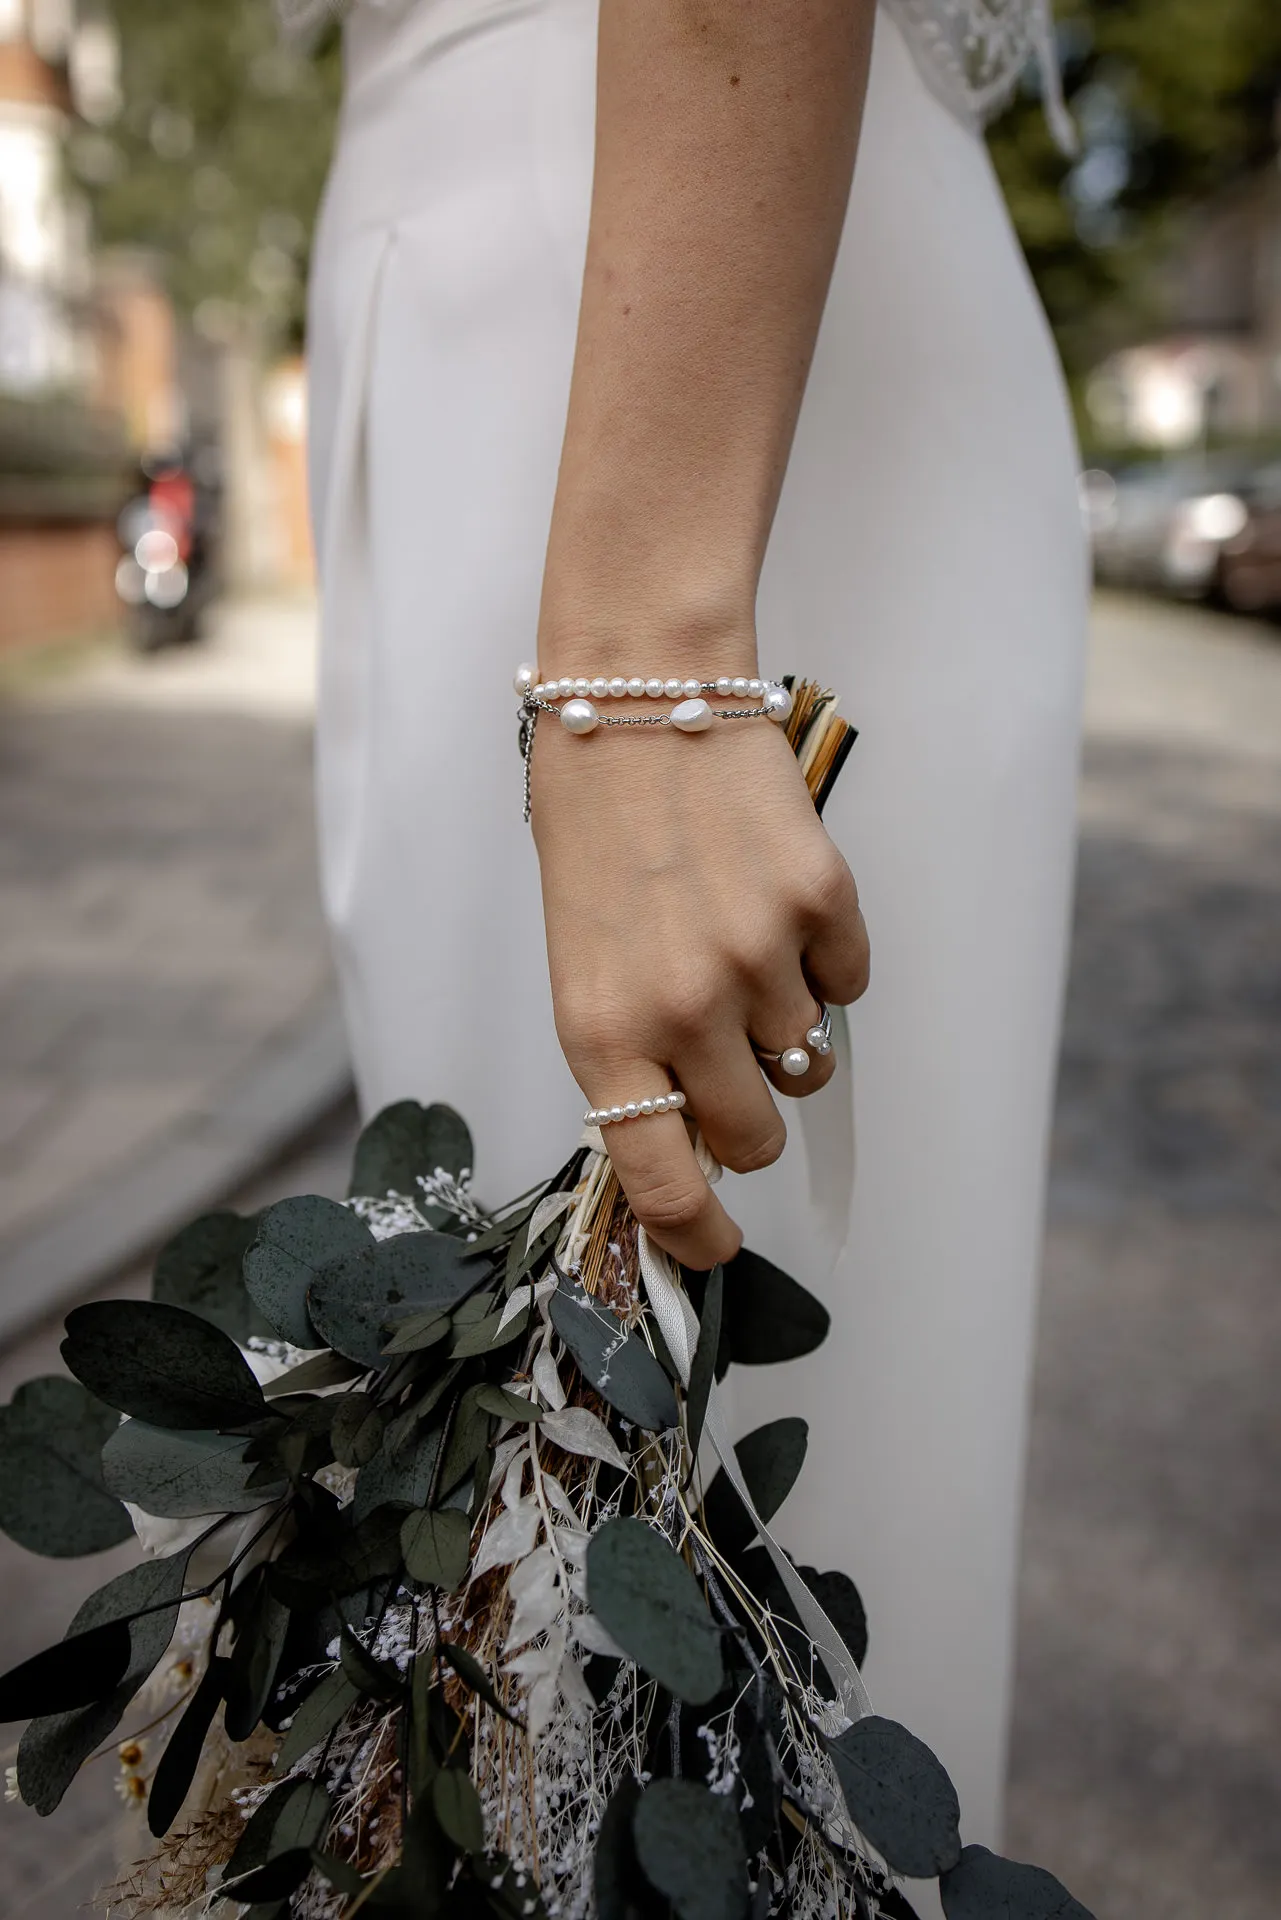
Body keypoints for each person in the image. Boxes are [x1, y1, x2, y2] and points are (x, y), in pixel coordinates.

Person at [302, 0, 1087, 1895]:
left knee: (686, 1641)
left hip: (656, 297)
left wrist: (647, 665)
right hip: (640, 276)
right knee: (562, 1628)